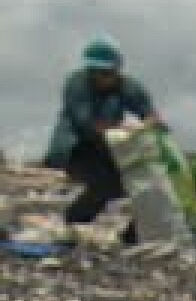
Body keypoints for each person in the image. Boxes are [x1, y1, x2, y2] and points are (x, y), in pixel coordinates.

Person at [43, 36, 164, 245]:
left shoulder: (129, 87)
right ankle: (72, 225)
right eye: (95, 72)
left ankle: (131, 237)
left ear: (117, 70)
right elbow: (88, 125)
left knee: (145, 187)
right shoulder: (76, 84)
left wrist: (149, 125)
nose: (100, 77)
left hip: (111, 148)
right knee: (105, 184)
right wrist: (127, 130)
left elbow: (152, 117)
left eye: (106, 72)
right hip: (77, 148)